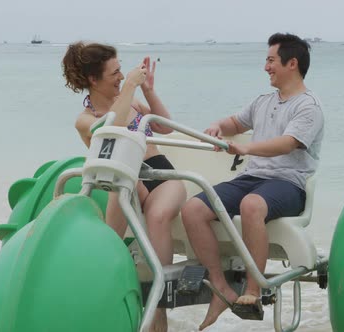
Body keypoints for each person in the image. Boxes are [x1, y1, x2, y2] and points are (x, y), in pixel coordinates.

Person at [181, 33, 324, 330]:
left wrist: (246, 148)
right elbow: (236, 123)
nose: (266, 67)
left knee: (251, 205)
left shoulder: (308, 107)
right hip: (252, 177)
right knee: (193, 210)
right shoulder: (263, 102)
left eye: (271, 60)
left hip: (289, 184)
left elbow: (287, 143)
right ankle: (220, 289)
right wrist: (218, 126)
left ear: (292, 64)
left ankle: (254, 290)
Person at [62, 41, 186, 332]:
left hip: (159, 174)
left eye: (122, 71)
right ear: (93, 80)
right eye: (115, 73)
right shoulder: (86, 120)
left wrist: (148, 90)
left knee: (157, 215)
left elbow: (166, 128)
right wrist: (130, 85)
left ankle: (159, 304)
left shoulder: (131, 102)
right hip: (123, 182)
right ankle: (107, 273)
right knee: (121, 189)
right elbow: (111, 132)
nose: (121, 77)